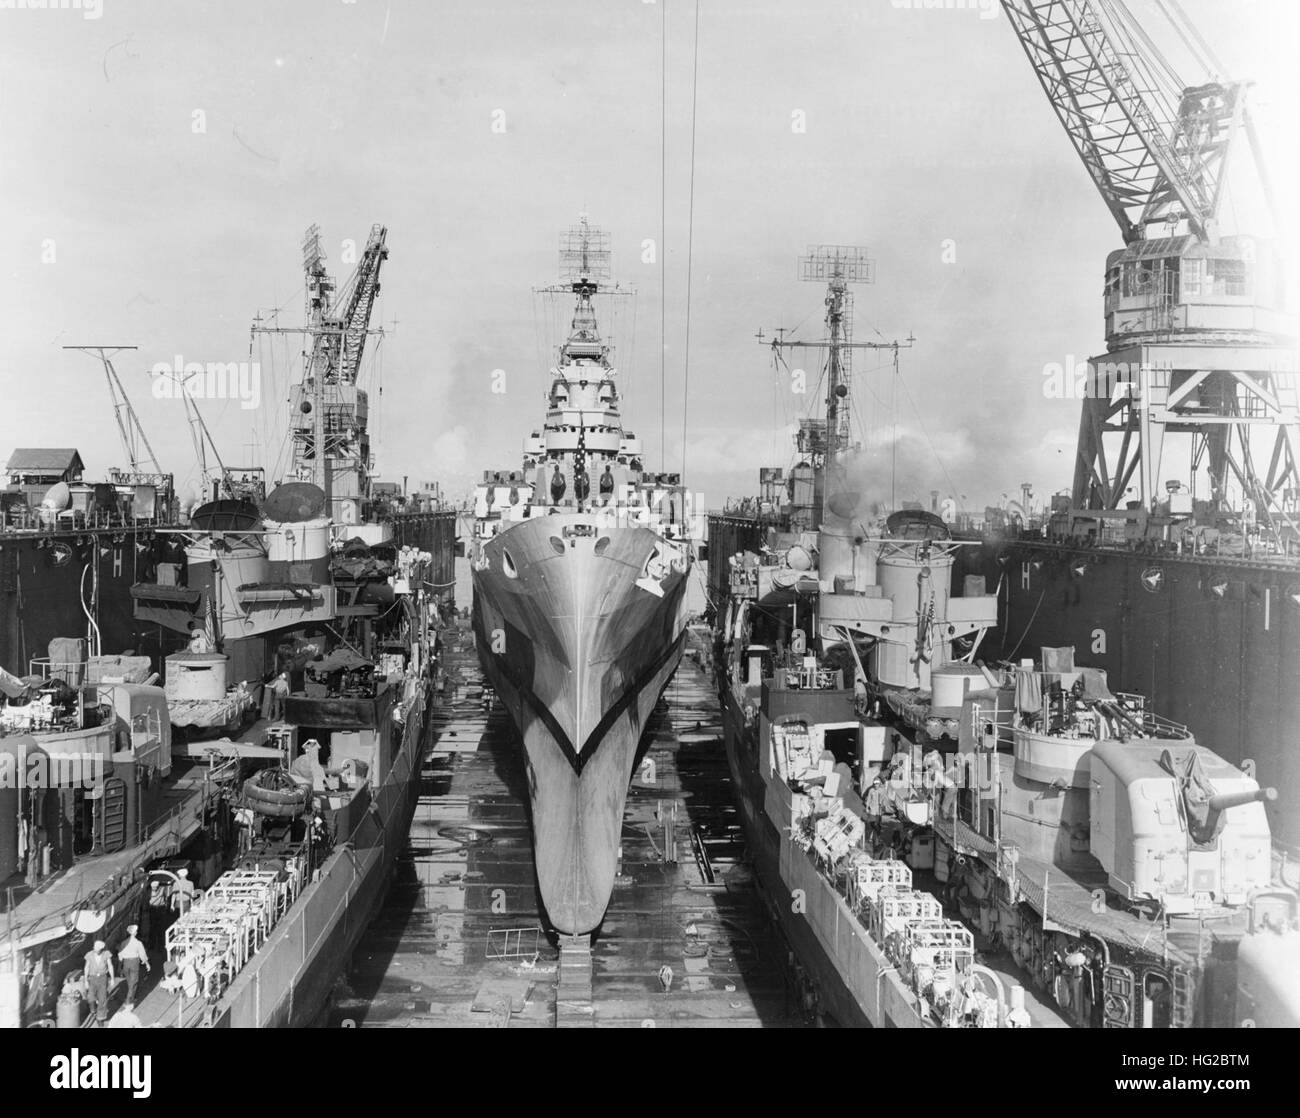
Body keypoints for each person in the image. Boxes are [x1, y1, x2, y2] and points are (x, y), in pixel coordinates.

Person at [83, 940, 114, 1024]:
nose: (95, 949)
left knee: (102, 999)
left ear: (101, 949)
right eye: (94, 948)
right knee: (91, 997)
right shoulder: (89, 955)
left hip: (103, 978)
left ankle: (100, 1018)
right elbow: (86, 967)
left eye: (97, 949)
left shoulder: (106, 954)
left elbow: (110, 966)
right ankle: (93, 1010)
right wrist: (85, 980)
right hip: (92, 978)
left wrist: (112, 978)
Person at [117, 924, 150, 1001]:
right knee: (134, 982)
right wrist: (147, 963)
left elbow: (120, 956)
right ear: (134, 933)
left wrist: (119, 967)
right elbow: (142, 954)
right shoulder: (138, 943)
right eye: (136, 931)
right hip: (134, 963)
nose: (137, 932)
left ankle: (132, 997)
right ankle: (128, 1000)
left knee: (130, 982)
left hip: (126, 964)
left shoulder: (123, 943)